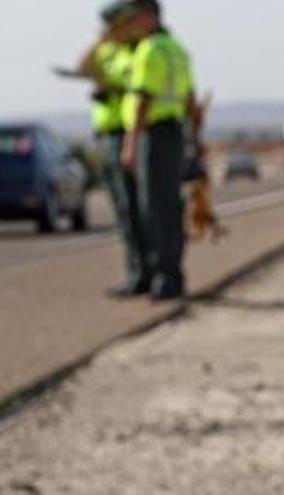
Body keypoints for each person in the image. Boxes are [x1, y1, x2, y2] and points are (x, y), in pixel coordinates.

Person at [61, 1, 149, 298]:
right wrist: (101, 40)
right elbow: (82, 68)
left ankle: (143, 273)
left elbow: (137, 90)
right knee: (124, 210)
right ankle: (136, 271)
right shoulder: (108, 50)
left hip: (125, 134)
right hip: (108, 135)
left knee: (134, 207)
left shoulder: (134, 52)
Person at [121, 0, 201, 300]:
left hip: (153, 136)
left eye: (136, 17)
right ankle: (173, 274)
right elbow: (191, 99)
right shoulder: (177, 49)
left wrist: (130, 144)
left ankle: (163, 277)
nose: (133, 24)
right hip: (175, 133)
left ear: (149, 16)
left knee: (153, 208)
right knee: (170, 206)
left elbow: (143, 98)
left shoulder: (150, 50)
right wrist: (193, 139)